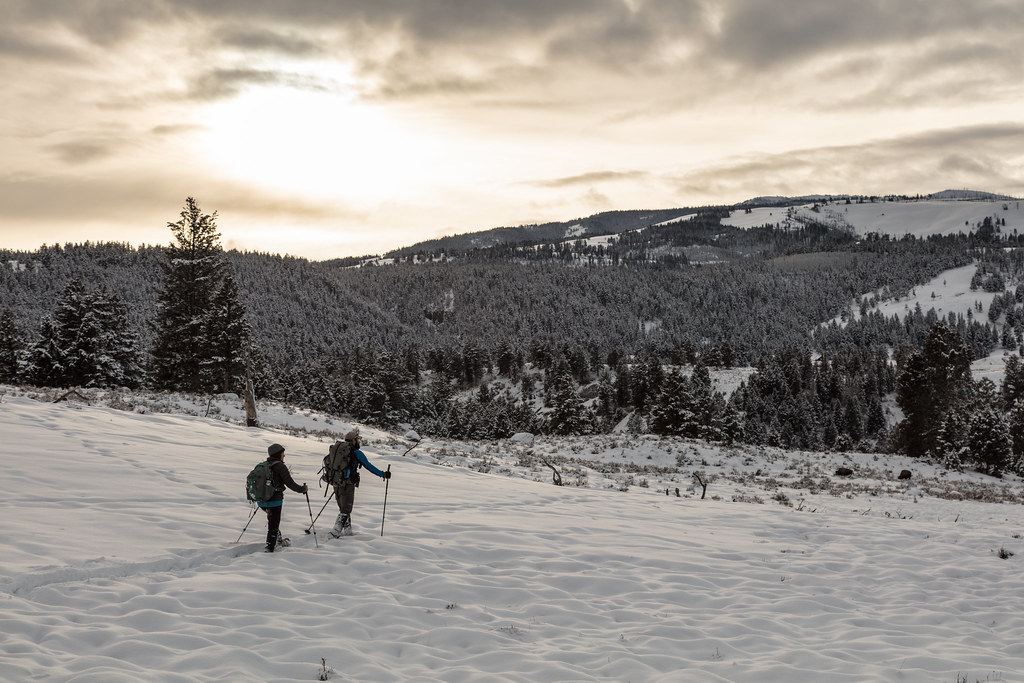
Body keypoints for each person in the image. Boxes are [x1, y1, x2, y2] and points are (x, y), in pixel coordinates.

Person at [329, 430, 390, 537]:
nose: (358, 442)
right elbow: (368, 466)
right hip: (348, 483)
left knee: (343, 508)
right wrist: (383, 474)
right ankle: (335, 532)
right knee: (346, 510)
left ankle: (348, 531)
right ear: (353, 440)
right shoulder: (356, 453)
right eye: (357, 439)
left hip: (336, 482)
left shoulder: (338, 450)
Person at [259, 443, 308, 552]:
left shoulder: (265, 465)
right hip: (274, 501)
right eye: (282, 453)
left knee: (272, 521)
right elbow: (290, 484)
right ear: (278, 454)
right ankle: (270, 548)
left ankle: (278, 540)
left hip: (262, 501)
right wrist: (302, 489)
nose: (284, 455)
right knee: (273, 525)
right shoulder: (280, 466)